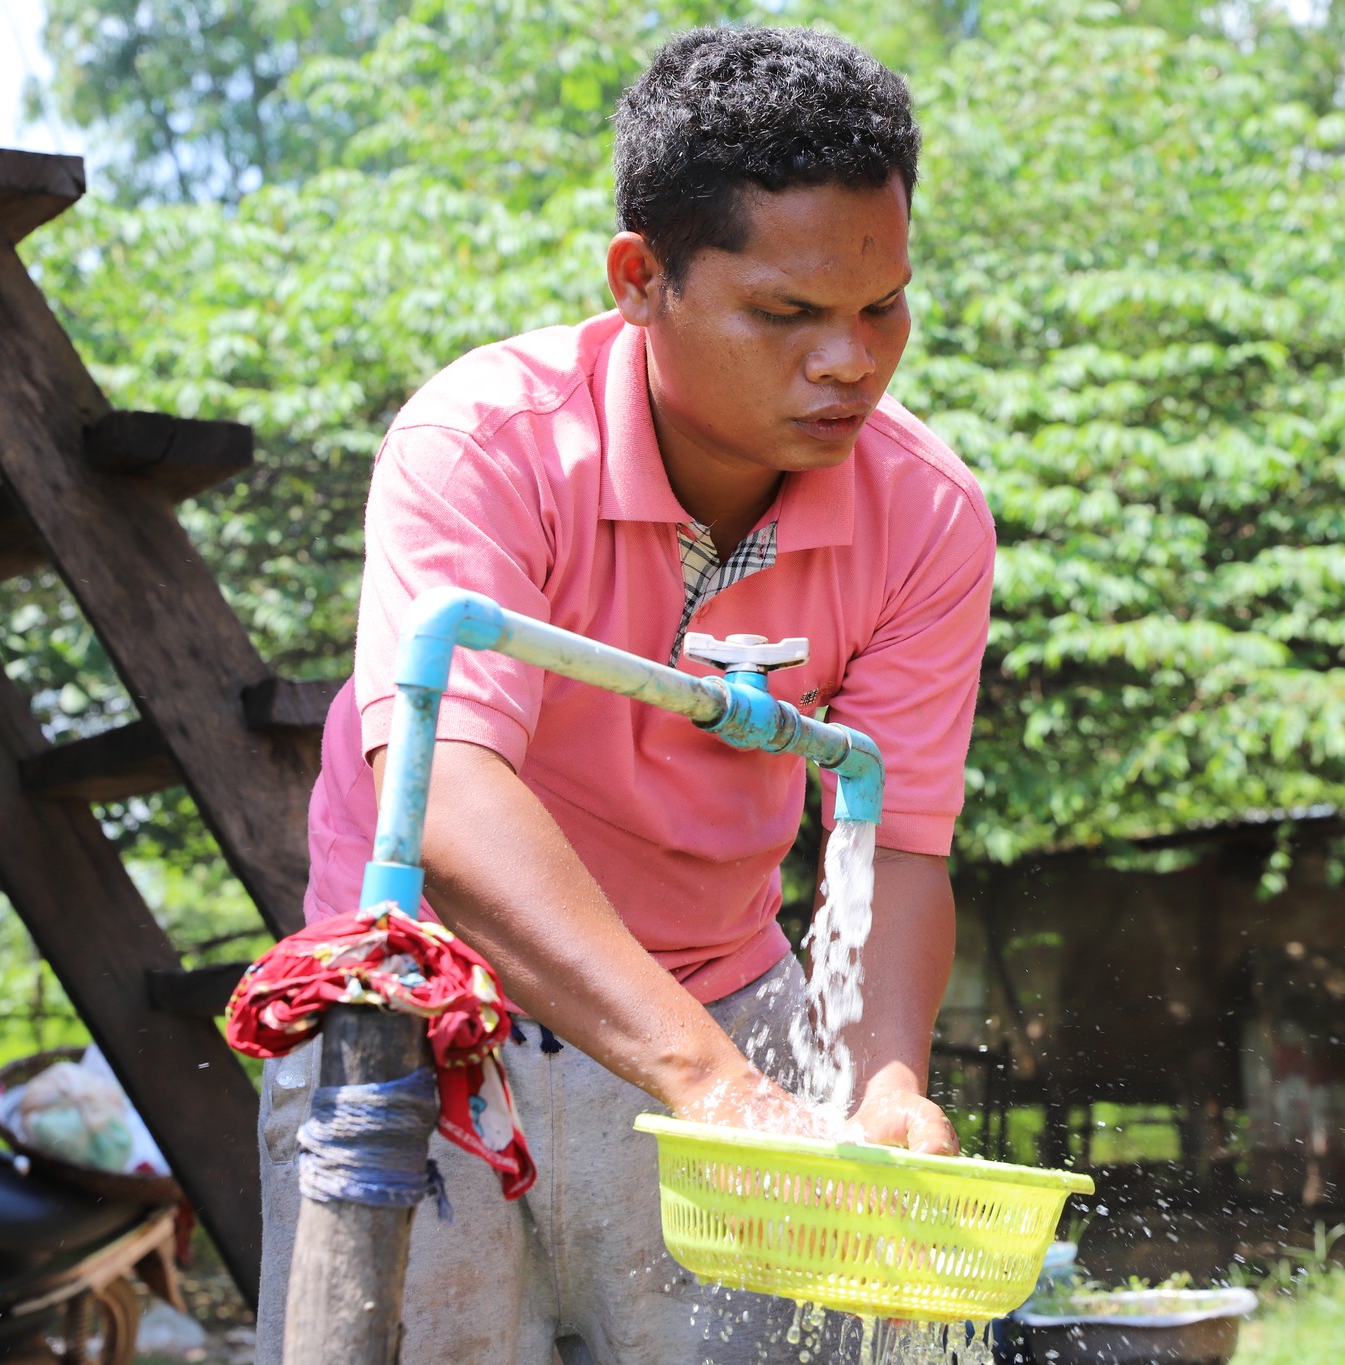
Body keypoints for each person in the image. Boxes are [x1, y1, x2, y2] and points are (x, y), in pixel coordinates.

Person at [255, 27, 994, 1364]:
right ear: (641, 279)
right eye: (787, 313)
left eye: (882, 305)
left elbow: (897, 843)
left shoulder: (927, 516)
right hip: (433, 1015)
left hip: (727, 1009)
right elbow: (450, 796)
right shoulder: (483, 446)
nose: (850, 360)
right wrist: (714, 1088)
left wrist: (883, 1078)